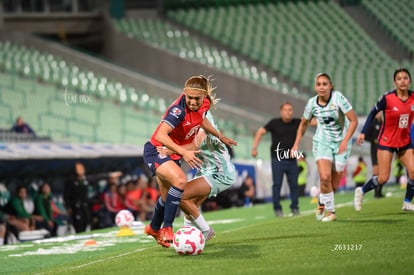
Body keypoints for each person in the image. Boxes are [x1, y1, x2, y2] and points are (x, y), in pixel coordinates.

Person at [143, 75, 236, 247]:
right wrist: (184, 152)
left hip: (174, 153)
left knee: (167, 197)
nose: (192, 102)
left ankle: (154, 227)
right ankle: (167, 228)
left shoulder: (205, 104)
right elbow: (161, 135)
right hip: (158, 150)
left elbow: (202, 119)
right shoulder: (177, 111)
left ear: (204, 97)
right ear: (184, 94)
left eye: (196, 99)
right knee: (180, 181)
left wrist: (219, 135)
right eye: (189, 98)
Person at [155, 111, 237, 242]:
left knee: (179, 195)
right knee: (190, 204)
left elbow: (196, 144)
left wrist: (171, 149)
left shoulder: (205, 115)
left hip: (219, 171)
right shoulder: (189, 116)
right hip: (206, 169)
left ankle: (205, 231)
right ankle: (188, 232)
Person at [292, 72, 358, 222]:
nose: (322, 87)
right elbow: (303, 123)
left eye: (325, 84)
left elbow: (353, 121)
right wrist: (296, 143)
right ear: (315, 86)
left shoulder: (338, 98)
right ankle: (331, 212)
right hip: (323, 142)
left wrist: (345, 140)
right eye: (319, 84)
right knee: (325, 177)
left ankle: (322, 201)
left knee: (333, 186)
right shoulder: (311, 103)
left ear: (330, 86)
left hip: (342, 142)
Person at [354, 68, 414, 212]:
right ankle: (361, 191)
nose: (403, 81)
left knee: (413, 171)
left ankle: (407, 202)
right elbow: (372, 113)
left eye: (405, 78)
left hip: (404, 142)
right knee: (383, 178)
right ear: (395, 82)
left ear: (410, 81)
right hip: (386, 142)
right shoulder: (387, 98)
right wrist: (363, 133)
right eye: (399, 79)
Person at [252, 102, 301, 217]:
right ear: (281, 111)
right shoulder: (274, 123)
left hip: (292, 159)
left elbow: (310, 122)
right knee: (277, 184)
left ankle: (295, 207)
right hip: (277, 159)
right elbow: (260, 131)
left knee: (294, 185)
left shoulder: (296, 122)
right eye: (286, 110)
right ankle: (277, 209)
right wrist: (254, 147)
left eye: (290, 110)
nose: (288, 112)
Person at [364, 113, 383, 197]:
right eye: (377, 112)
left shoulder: (383, 123)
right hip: (374, 150)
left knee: (382, 171)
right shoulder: (372, 124)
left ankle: (379, 191)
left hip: (383, 149)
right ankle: (375, 192)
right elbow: (366, 136)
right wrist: (374, 140)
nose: (379, 114)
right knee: (376, 171)